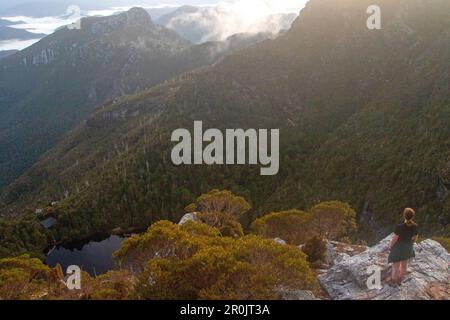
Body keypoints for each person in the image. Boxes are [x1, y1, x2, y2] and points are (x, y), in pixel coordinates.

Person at [387, 208, 419, 285]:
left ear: (404, 216)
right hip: (408, 248)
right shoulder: (415, 226)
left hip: (399, 248)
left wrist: (390, 246)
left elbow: (395, 238)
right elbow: (416, 237)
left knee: (396, 266)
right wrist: (411, 243)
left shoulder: (399, 227)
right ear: (412, 216)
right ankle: (400, 279)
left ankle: (393, 281)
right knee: (404, 265)